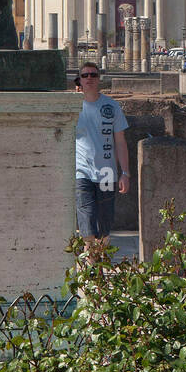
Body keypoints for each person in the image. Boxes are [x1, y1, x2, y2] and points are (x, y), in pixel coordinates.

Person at [74, 62, 130, 244]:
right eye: (85, 75)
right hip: (81, 172)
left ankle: (97, 267)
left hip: (107, 173)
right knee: (87, 226)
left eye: (93, 75)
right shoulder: (72, 106)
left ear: (99, 79)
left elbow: (120, 141)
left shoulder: (112, 106)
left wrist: (125, 173)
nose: (89, 78)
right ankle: (90, 268)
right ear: (79, 80)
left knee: (104, 229)